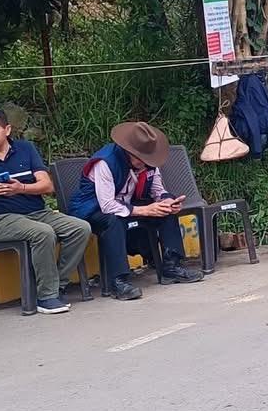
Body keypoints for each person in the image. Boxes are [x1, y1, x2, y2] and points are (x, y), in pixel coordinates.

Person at [0, 109, 97, 312]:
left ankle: (56, 284)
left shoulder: (26, 149)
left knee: (80, 228)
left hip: (37, 212)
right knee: (42, 232)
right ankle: (47, 297)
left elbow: (47, 186)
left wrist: (21, 188)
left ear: (7, 129)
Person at [66, 120, 202, 300]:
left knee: (166, 211)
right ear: (130, 152)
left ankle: (171, 267)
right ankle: (119, 282)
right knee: (113, 221)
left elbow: (157, 190)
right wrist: (145, 210)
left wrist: (168, 201)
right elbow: (107, 205)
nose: (146, 163)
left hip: (128, 205)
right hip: (93, 210)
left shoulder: (150, 162)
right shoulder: (105, 162)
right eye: (142, 159)